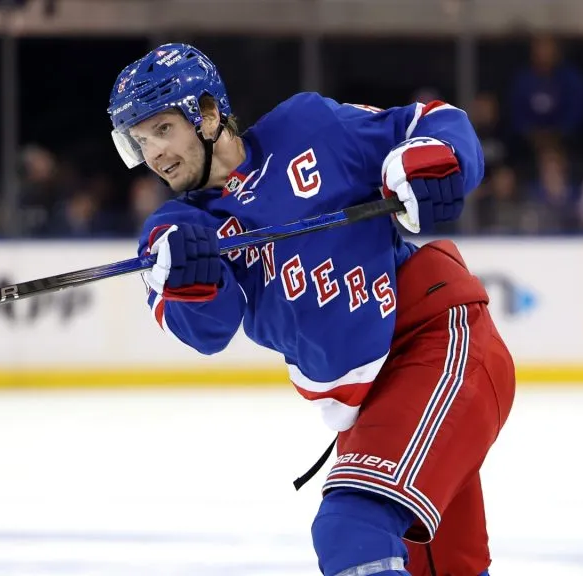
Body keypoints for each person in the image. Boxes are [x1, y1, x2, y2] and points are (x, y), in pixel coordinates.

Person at [108, 43, 515, 576]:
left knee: (353, 529)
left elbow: (433, 122)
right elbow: (207, 332)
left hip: (434, 339)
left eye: (162, 129)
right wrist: (187, 277)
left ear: (207, 113)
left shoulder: (308, 128)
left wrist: (437, 161)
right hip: (375, 399)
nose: (155, 154)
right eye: (140, 140)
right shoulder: (179, 229)